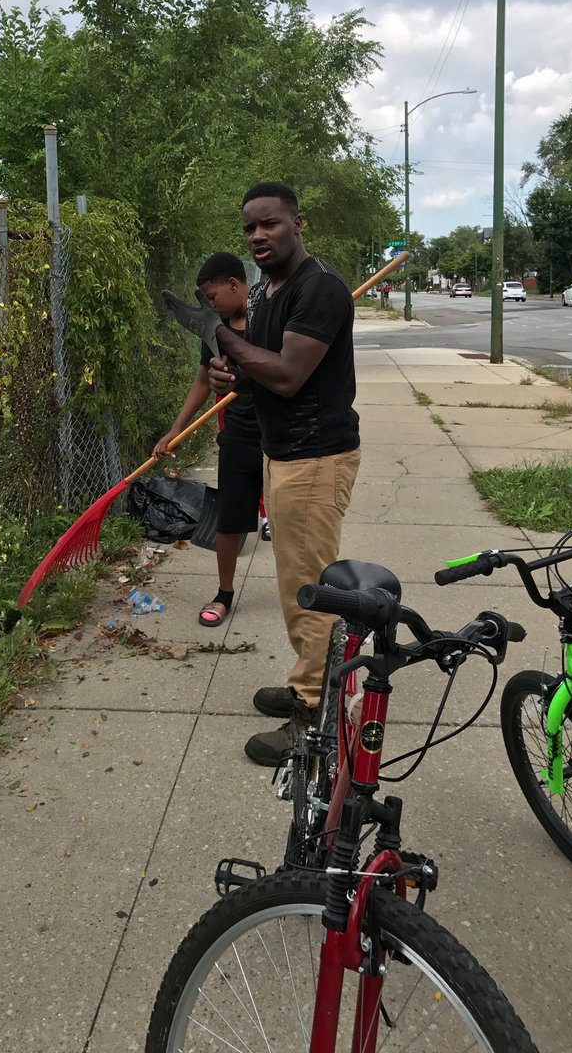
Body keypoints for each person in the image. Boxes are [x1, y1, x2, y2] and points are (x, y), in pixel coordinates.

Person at [208, 183, 360, 765]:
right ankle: (306, 681)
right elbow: (265, 373)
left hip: (316, 458)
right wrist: (233, 376)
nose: (257, 236)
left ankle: (313, 720)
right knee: (296, 584)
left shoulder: (318, 288)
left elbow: (291, 375)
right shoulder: (271, 292)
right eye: (249, 229)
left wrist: (219, 334)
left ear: (297, 222)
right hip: (285, 454)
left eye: (269, 224)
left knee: (312, 590)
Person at [154, 252, 267, 628]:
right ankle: (224, 593)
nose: (210, 305)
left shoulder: (270, 316)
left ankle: (308, 591)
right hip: (237, 431)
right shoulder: (215, 329)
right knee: (230, 517)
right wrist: (175, 429)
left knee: (294, 518)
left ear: (234, 284)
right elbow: (202, 381)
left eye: (212, 296)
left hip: (279, 431)